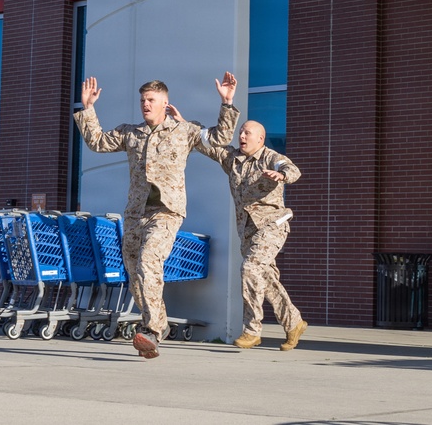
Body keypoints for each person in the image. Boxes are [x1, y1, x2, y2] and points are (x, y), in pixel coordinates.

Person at [73, 74, 233, 359]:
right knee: (134, 273)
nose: (145, 105)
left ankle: (152, 330)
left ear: (165, 103)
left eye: (151, 100)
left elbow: (220, 139)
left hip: (166, 212)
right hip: (135, 213)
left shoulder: (185, 130)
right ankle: (158, 326)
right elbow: (97, 142)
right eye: (142, 100)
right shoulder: (131, 132)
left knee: (149, 262)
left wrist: (227, 102)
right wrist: (88, 109)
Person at [200, 72, 307, 351]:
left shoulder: (272, 156)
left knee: (249, 269)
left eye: (248, 132)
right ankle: (294, 322)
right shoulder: (233, 159)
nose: (242, 135)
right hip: (247, 229)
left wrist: (282, 176)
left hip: (273, 224)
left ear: (261, 139)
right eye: (241, 132)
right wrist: (180, 123)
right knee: (266, 277)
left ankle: (252, 330)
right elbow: (207, 143)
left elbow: (292, 170)